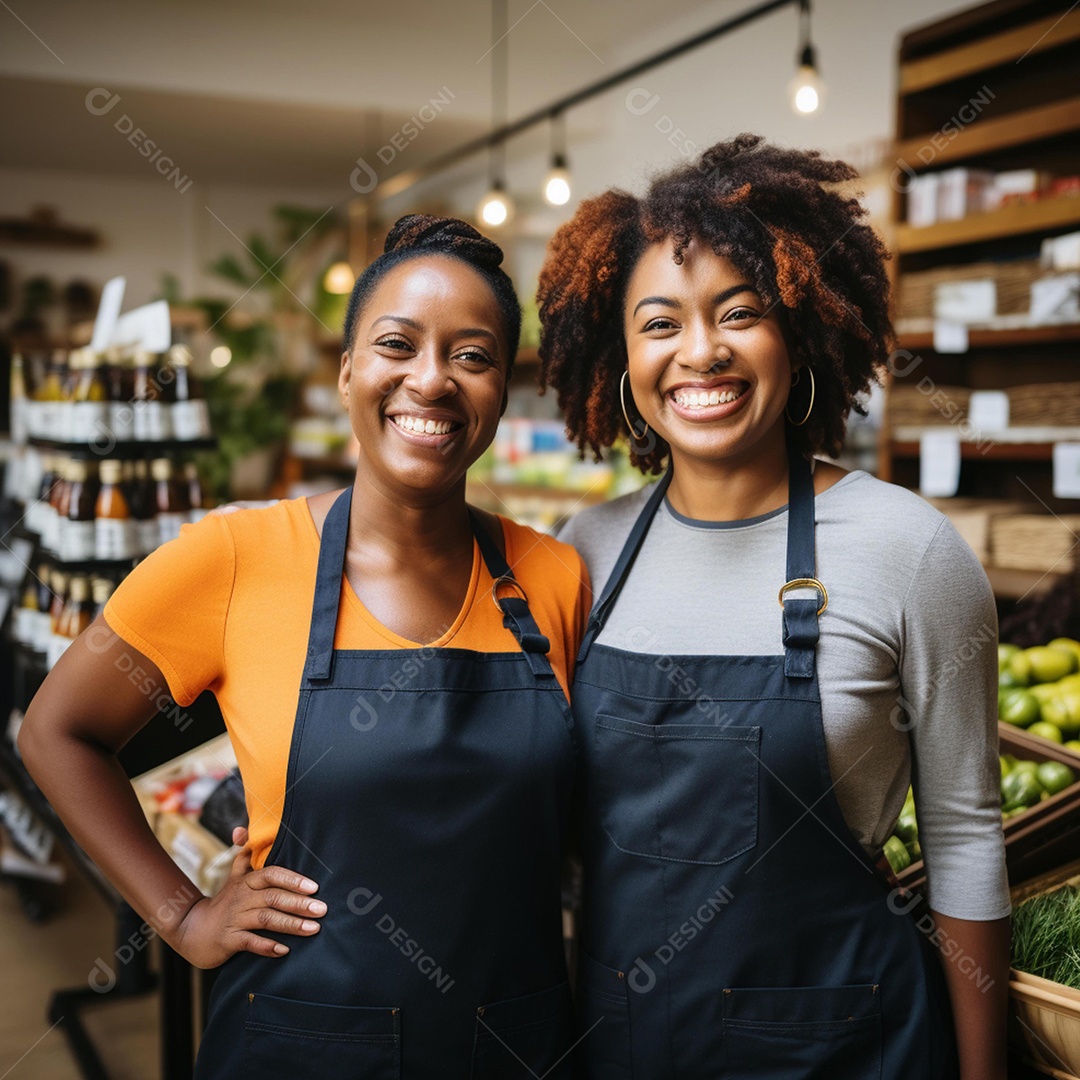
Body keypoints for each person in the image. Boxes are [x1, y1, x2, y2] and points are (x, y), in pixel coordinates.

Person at [18, 215, 591, 1078]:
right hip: (305, 1044)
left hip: (513, 1043)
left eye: (471, 356)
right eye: (397, 344)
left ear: (504, 391)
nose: (430, 380)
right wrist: (180, 917)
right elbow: (55, 733)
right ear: (349, 369)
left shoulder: (553, 577)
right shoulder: (233, 557)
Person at [537, 135, 1008, 1079]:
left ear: (797, 327)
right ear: (620, 354)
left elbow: (963, 834)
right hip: (627, 1041)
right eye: (659, 322)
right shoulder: (582, 554)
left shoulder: (909, 550)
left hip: (842, 1044)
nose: (699, 352)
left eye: (739, 312)